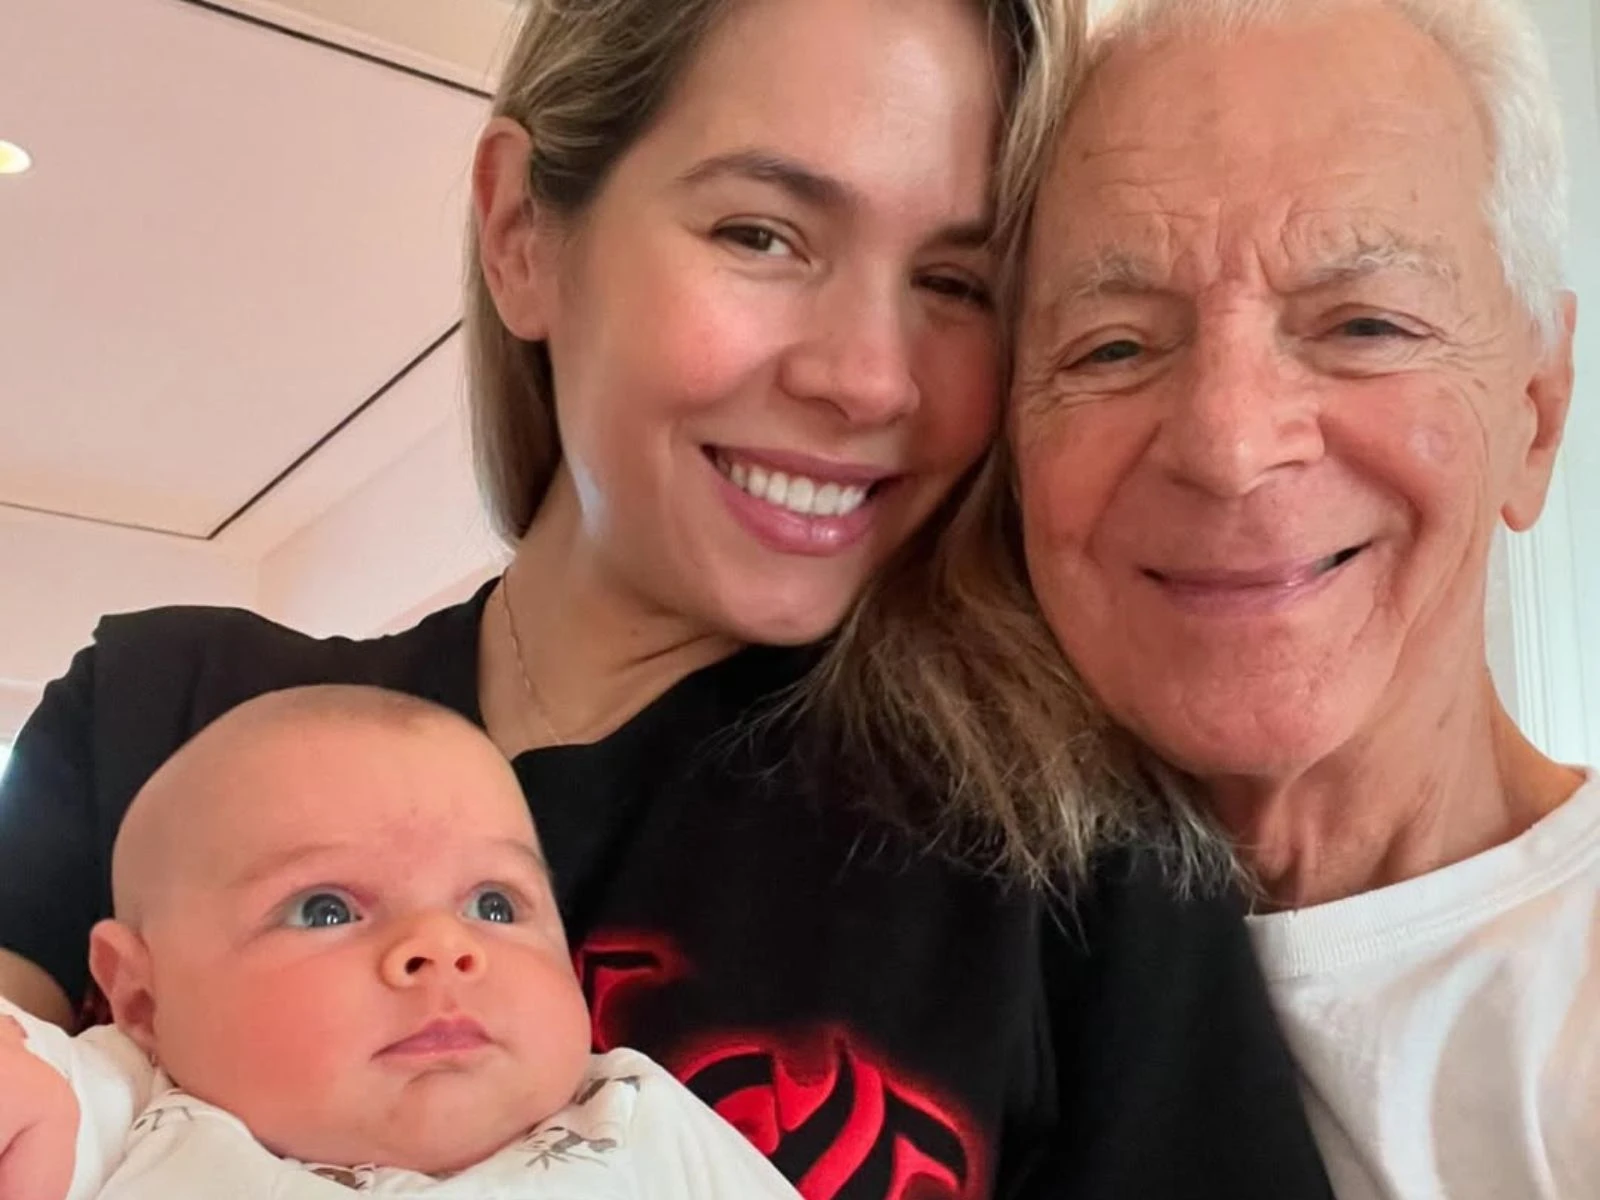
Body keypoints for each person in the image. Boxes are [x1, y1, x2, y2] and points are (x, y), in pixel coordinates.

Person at [0, 0, 1334, 1195]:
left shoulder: (1063, 831)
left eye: (952, 283)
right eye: (763, 233)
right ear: (523, 233)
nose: (870, 379)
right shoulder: (168, 717)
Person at [871, 0, 1595, 1196]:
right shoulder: (862, 956)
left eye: (1364, 325)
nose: (1227, 444)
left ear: (1537, 412)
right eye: (1112, 347)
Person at [0, 686, 802, 1200]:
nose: (443, 947)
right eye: (324, 910)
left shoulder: (636, 1117)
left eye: (495, 904)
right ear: (143, 998)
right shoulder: (124, 1109)